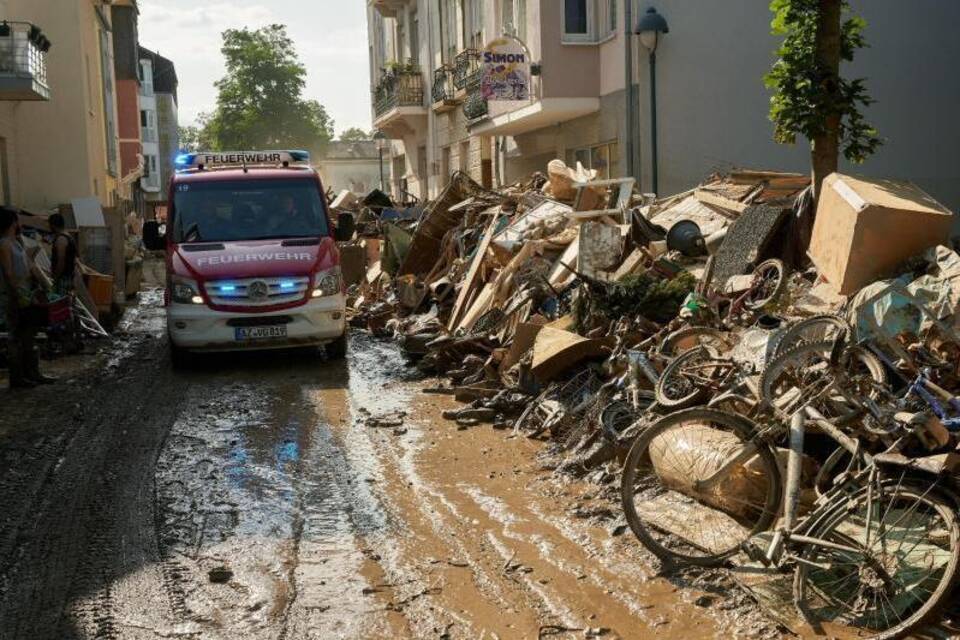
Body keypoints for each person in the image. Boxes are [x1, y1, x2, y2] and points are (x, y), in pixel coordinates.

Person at [0, 207, 55, 389]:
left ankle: (32, 372)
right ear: (12, 222)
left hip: (26, 293)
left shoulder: (16, 242)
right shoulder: (4, 244)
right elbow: (8, 273)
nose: (20, 223)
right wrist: (19, 292)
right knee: (17, 335)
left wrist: (43, 285)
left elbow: (29, 265)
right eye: (18, 220)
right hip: (15, 296)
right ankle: (18, 377)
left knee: (29, 334)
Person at [49, 213, 77, 296]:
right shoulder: (69, 236)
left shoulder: (61, 239)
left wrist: (55, 278)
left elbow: (61, 262)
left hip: (63, 279)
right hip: (69, 277)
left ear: (53, 225)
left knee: (61, 301)